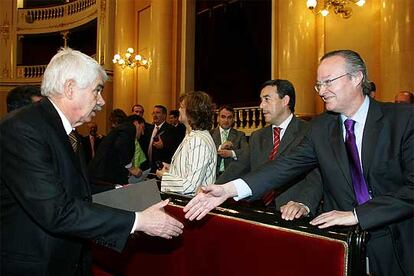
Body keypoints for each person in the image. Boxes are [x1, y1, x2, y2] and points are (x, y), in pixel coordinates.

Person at [184, 50, 413, 276]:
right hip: (344, 243)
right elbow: (285, 165)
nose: (322, 91)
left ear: (356, 78)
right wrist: (228, 189)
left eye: (328, 82)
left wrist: (358, 214)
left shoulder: (403, 119)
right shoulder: (321, 127)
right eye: (318, 85)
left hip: (399, 239)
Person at [0, 48, 183, 276]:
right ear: (69, 88)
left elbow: (76, 187)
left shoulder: (67, 131)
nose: (102, 101)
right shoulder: (22, 128)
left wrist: (126, 195)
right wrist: (138, 221)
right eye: (97, 90)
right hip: (36, 264)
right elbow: (56, 210)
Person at [216, 80, 322, 215]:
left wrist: (303, 204)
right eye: (261, 100)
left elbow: (316, 177)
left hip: (292, 213)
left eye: (267, 99)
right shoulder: (257, 136)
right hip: (258, 210)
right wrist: (215, 188)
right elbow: (239, 166)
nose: (261, 106)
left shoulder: (309, 131)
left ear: (285, 101)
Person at [156, 91, 217, 195]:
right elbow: (190, 170)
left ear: (192, 112)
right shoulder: (191, 135)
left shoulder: (199, 140)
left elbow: (191, 186)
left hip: (191, 204)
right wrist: (172, 168)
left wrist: (164, 176)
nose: (179, 110)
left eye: (182, 107)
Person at [88, 115, 147, 187]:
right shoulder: (129, 128)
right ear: (136, 123)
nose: (143, 133)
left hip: (103, 176)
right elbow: (121, 145)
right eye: (142, 128)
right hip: (103, 177)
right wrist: (131, 168)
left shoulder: (122, 129)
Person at [210, 105, 248, 176]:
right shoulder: (210, 134)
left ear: (233, 119)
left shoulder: (240, 135)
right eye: (223, 117)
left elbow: (247, 151)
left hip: (232, 176)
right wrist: (220, 147)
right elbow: (205, 151)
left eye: (229, 117)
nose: (226, 120)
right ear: (218, 118)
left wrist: (231, 153)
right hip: (212, 176)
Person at [147, 105, 180, 172]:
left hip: (162, 168)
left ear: (164, 115)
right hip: (147, 167)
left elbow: (175, 149)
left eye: (158, 113)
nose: (155, 115)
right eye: (153, 113)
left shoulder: (171, 129)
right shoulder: (148, 129)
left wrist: (163, 146)